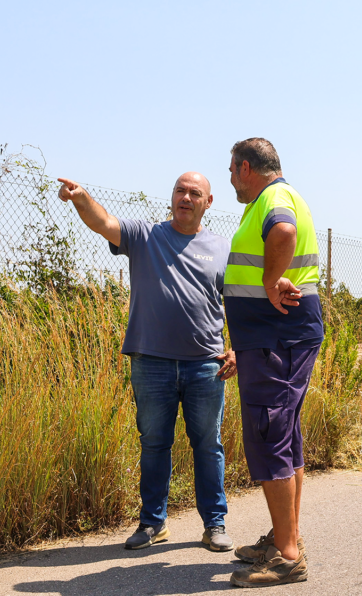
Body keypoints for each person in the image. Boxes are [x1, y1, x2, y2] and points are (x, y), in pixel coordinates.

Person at [57, 172, 238, 552]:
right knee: (154, 443)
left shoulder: (223, 248)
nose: (185, 197)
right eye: (179, 191)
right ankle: (153, 523)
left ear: (208, 202)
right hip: (151, 362)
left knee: (208, 445)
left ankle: (214, 525)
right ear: (172, 197)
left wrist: (237, 348)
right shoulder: (145, 235)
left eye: (194, 193)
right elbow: (103, 223)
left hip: (206, 364)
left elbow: (236, 305)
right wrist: (81, 198)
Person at [223, 138, 321, 588]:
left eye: (231, 171)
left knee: (269, 434)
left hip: (276, 337)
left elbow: (282, 234)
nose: (229, 180)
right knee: (285, 434)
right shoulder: (276, 197)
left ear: (246, 167)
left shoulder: (274, 199)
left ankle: (286, 557)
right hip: (273, 337)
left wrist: (267, 281)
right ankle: (287, 537)